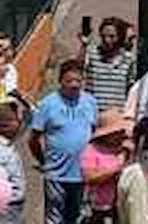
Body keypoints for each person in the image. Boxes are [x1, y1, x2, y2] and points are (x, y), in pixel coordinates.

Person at [31, 59, 99, 224]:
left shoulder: (91, 102)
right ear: (60, 81)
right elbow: (33, 139)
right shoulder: (48, 104)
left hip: (82, 174)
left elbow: (95, 134)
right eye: (69, 81)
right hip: (56, 174)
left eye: (78, 80)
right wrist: (44, 161)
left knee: (77, 217)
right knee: (54, 218)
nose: (74, 85)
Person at [80, 111, 132, 224]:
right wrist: (116, 169)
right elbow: (90, 178)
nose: (122, 135)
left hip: (119, 206)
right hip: (99, 208)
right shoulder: (91, 151)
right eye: (118, 132)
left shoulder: (124, 150)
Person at [82, 17, 136, 113]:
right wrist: (84, 44)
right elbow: (78, 68)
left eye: (112, 36)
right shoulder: (92, 54)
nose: (107, 40)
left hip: (117, 114)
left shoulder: (129, 59)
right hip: (93, 112)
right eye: (103, 36)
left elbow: (130, 88)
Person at [0, 98, 25, 224]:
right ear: (4, 126)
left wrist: (22, 100)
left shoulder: (9, 143)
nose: (20, 124)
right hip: (7, 205)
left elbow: (28, 119)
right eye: (16, 121)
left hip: (17, 204)